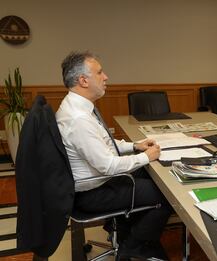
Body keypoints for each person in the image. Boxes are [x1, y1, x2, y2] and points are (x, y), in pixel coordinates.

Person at [56, 51, 172, 260]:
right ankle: (134, 246)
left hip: (95, 184)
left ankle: (122, 228)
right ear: (83, 80)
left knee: (148, 175)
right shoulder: (78, 119)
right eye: (99, 72)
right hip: (92, 193)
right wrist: (148, 156)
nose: (106, 76)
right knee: (166, 194)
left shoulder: (77, 107)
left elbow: (104, 143)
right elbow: (108, 166)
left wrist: (134, 146)